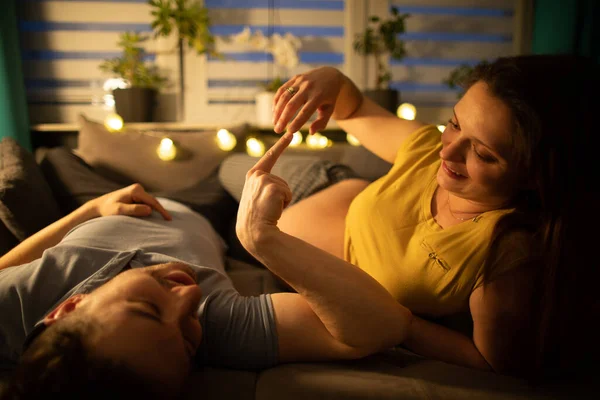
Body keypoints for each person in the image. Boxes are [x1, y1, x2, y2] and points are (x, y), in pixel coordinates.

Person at [268, 54, 600, 382]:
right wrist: (333, 79)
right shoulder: (428, 150)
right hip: (320, 184)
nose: (448, 152)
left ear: (535, 174)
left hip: (286, 226)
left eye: (482, 153)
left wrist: (401, 324)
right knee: (231, 170)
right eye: (455, 123)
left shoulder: (504, 251)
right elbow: (352, 109)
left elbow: (489, 360)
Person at [0, 140, 413, 399]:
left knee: (57, 156)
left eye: (147, 308)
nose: (190, 295)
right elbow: (382, 325)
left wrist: (89, 210)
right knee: (232, 168)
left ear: (68, 308)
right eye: (186, 342)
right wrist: (260, 238)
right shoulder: (217, 325)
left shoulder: (13, 305)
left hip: (111, 205)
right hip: (205, 212)